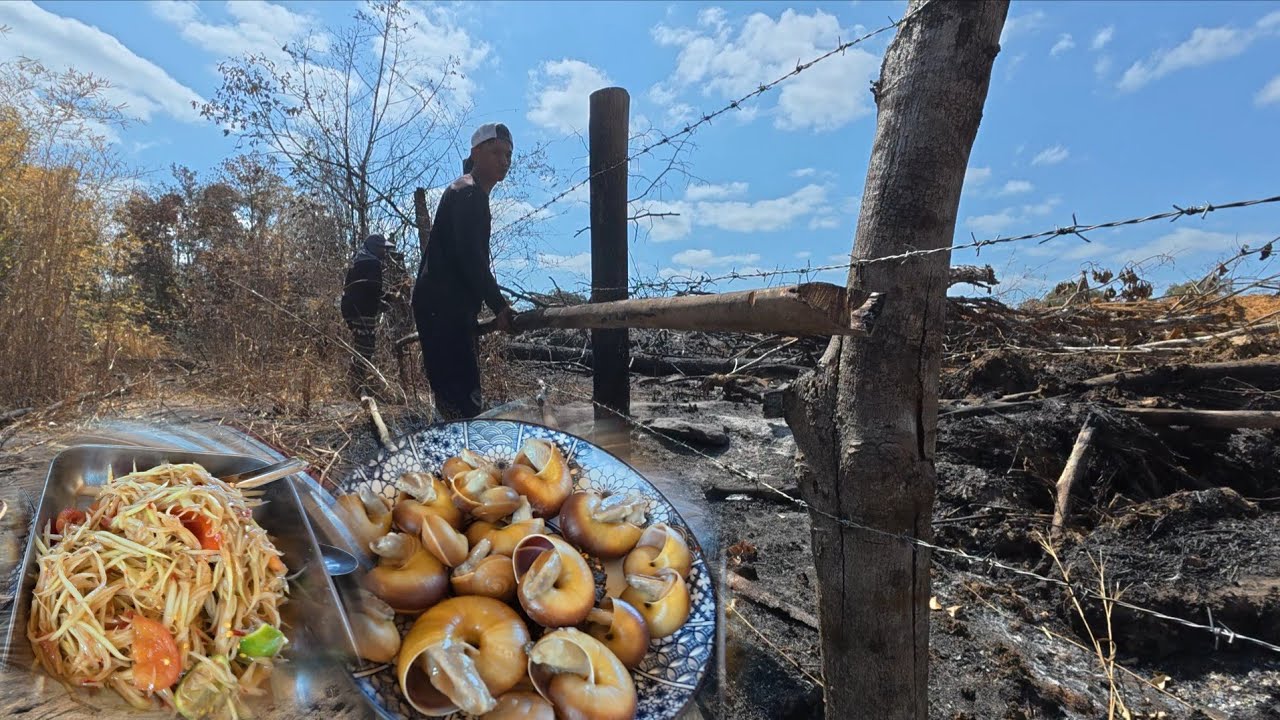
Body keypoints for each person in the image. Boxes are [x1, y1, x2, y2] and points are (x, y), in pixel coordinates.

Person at [412, 123, 516, 420]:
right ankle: (457, 458)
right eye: (496, 152)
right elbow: (471, 258)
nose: (504, 160)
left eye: (508, 154)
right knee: (463, 401)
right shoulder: (468, 193)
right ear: (476, 153)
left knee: (455, 396)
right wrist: (500, 306)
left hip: (445, 305)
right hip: (443, 307)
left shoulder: (468, 192)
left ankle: (455, 454)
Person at [340, 233, 395, 397]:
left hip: (351, 309)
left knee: (360, 347)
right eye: (382, 248)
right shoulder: (372, 263)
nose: (384, 252)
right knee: (365, 348)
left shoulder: (357, 261)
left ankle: (356, 387)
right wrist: (387, 299)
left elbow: (357, 288)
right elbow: (372, 291)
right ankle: (357, 389)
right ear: (373, 248)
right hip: (363, 312)